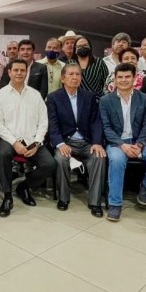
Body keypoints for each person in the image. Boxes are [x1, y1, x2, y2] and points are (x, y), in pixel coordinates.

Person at [100, 64, 146, 221]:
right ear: (115, 79)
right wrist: (122, 145)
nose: (123, 80)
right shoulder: (105, 100)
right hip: (117, 143)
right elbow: (106, 128)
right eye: (120, 77)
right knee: (116, 160)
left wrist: (140, 144)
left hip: (140, 141)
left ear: (134, 78)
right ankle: (115, 204)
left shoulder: (145, 98)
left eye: (127, 77)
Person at [0, 59, 57, 218]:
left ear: (26, 72)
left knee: (50, 164)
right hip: (8, 139)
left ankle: (24, 187)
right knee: (3, 155)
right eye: (16, 70)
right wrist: (14, 143)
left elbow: (43, 122)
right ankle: (7, 196)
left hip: (31, 140)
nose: (19, 73)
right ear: (9, 72)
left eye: (22, 70)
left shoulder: (35, 95)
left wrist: (37, 143)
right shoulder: (0, 95)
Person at [47, 64, 106, 215]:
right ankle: (63, 198)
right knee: (61, 159)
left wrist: (97, 142)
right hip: (66, 142)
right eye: (71, 74)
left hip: (86, 142)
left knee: (99, 157)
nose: (75, 77)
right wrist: (60, 143)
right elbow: (52, 124)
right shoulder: (54, 98)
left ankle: (95, 202)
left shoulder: (89, 97)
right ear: (63, 78)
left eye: (78, 74)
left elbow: (96, 122)